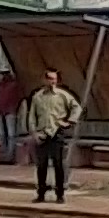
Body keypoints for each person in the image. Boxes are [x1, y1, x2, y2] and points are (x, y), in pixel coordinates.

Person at [27, 68, 82, 203]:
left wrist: (69, 122)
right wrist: (34, 133)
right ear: (44, 80)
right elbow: (32, 116)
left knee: (58, 164)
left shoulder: (62, 95)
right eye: (50, 79)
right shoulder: (37, 97)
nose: (52, 82)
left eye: (54, 79)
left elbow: (77, 107)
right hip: (42, 133)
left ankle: (60, 194)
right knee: (41, 165)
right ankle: (41, 193)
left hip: (57, 132)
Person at [0, 67, 23, 166]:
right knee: (2, 134)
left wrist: (15, 109)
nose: (3, 76)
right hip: (1, 111)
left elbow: (18, 98)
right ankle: (3, 154)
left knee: (11, 134)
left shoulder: (14, 85)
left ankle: (10, 155)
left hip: (10, 111)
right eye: (2, 73)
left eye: (5, 73)